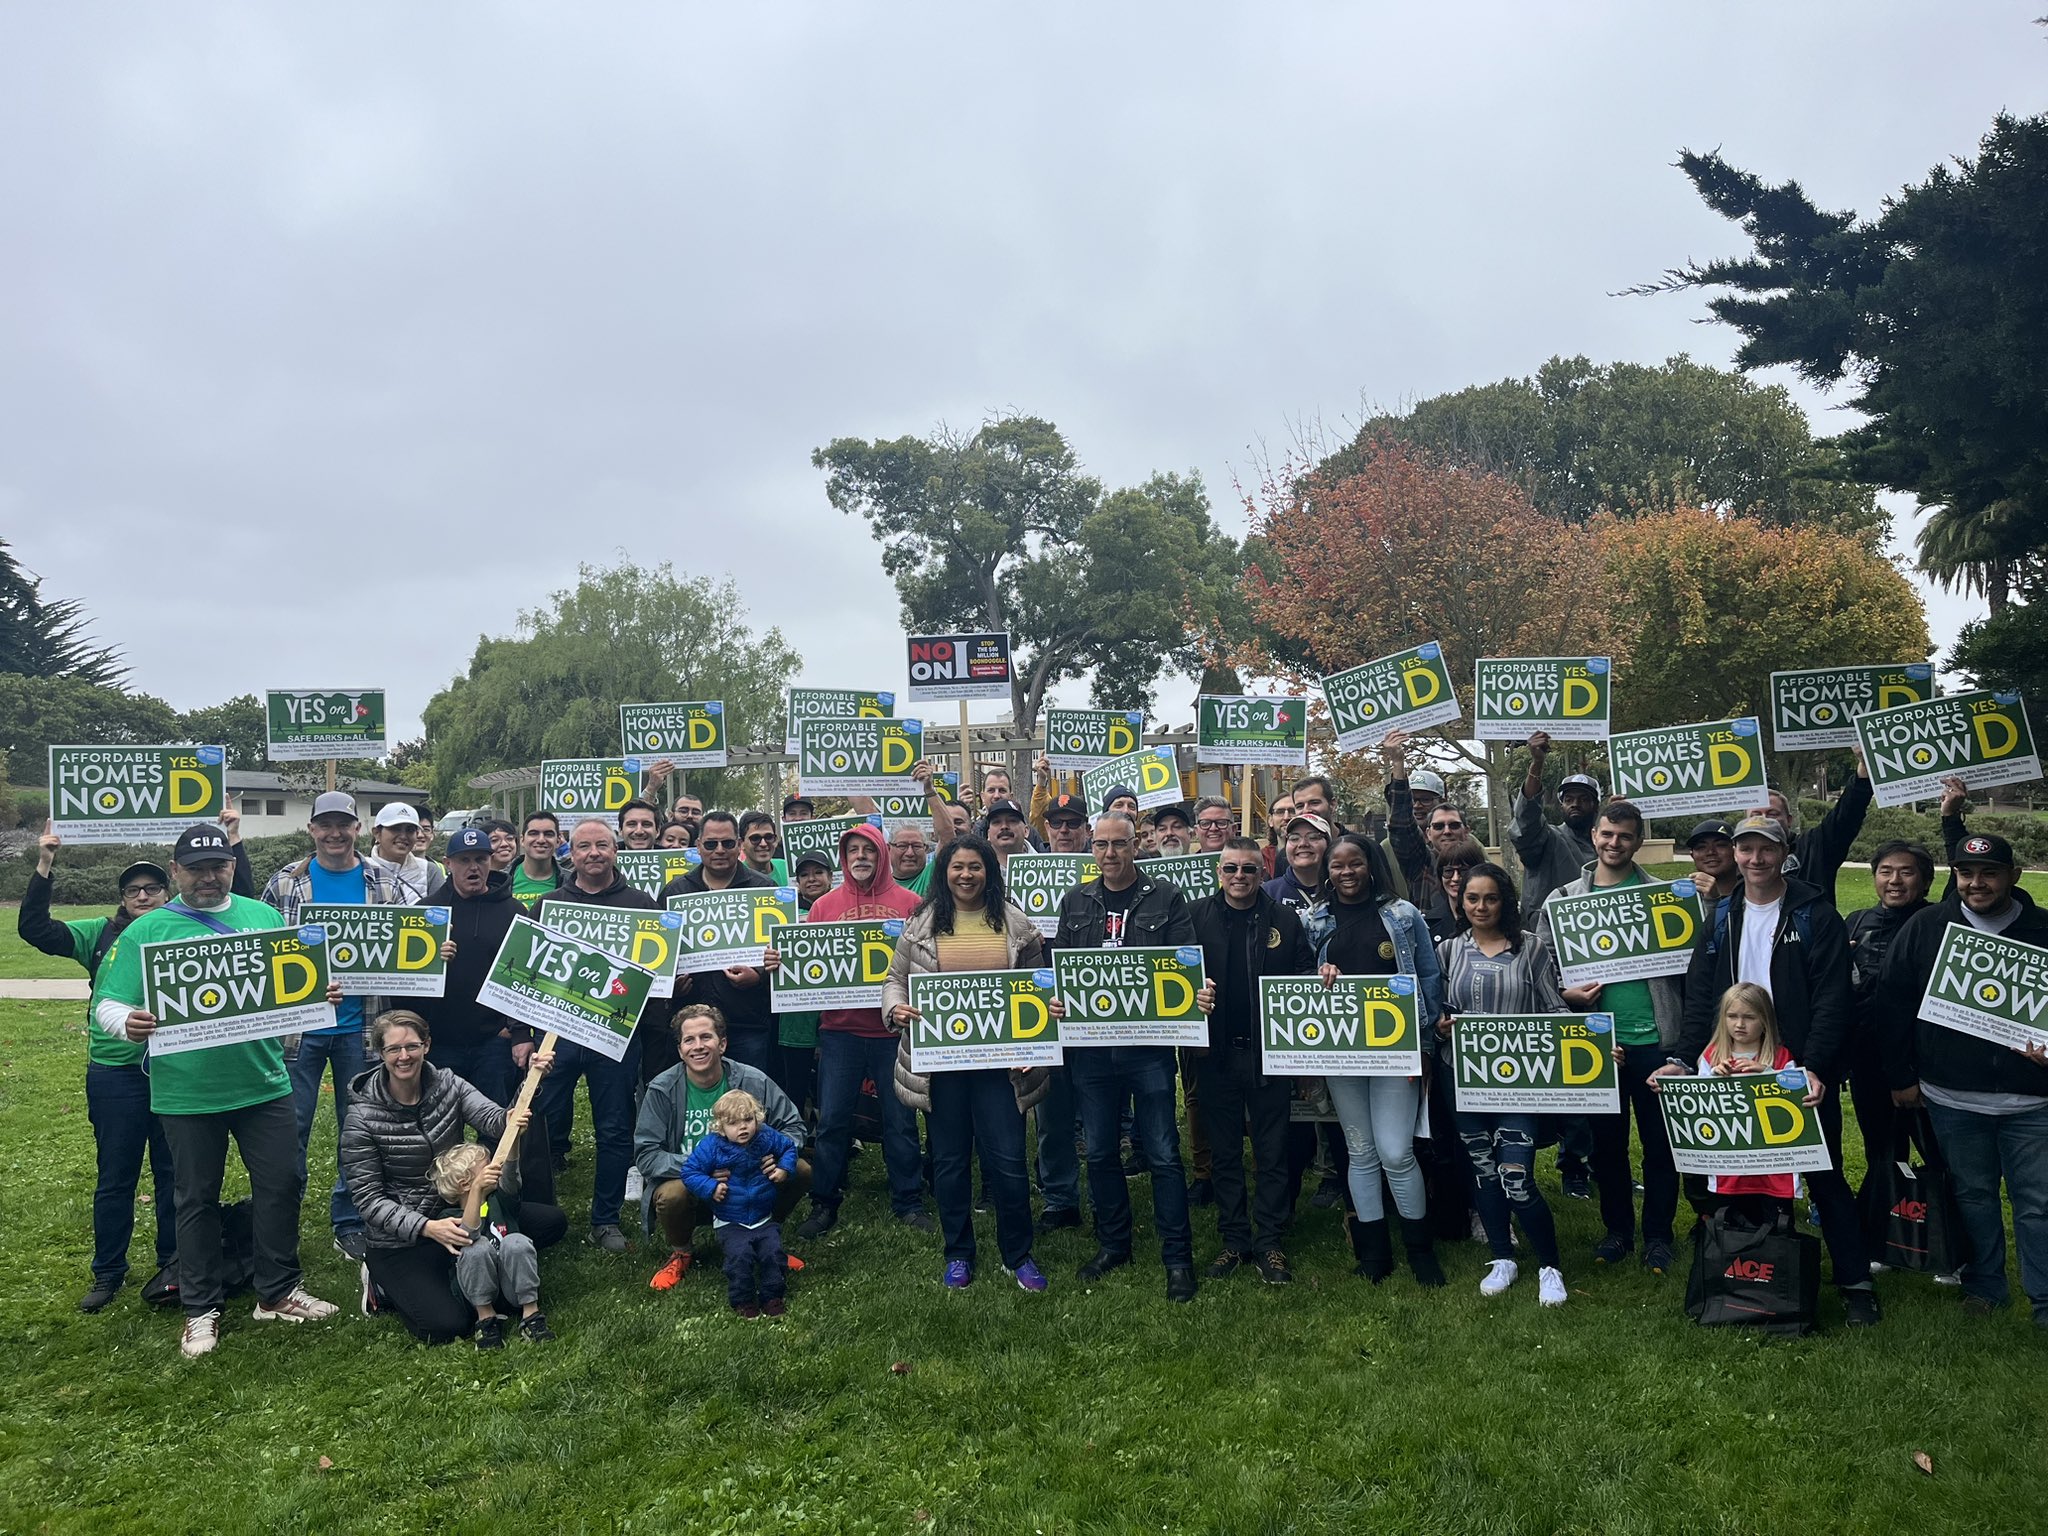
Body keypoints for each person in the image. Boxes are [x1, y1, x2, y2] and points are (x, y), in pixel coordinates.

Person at [96, 823, 342, 1357]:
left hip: (264, 1082)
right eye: (197, 867)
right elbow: (107, 1002)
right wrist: (127, 1022)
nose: (209, 876)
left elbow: (290, 989)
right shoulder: (148, 930)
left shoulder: (264, 917)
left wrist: (317, 991)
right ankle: (200, 1306)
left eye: (219, 866)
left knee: (283, 1182)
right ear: (177, 869)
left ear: (232, 866)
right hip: (187, 1091)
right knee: (195, 1199)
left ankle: (276, 1291)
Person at [1668, 813, 1879, 1326]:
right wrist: (1680, 1057)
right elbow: (1700, 993)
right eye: (1746, 850)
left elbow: (1833, 999)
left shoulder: (1814, 913)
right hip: (1732, 1062)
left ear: (1784, 853)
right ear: (1735, 854)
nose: (1755, 859)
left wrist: (1814, 1066)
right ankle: (1753, 1275)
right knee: (1742, 1173)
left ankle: (1856, 1284)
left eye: (1766, 849)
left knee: (1824, 1176)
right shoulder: (1722, 914)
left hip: (1796, 1069)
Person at [1879, 832, 2048, 1324]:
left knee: (2037, 1205)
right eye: (1966, 873)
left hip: (2031, 1101)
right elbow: (1892, 1003)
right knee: (1972, 1196)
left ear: (2014, 877)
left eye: (1990, 873)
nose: (1977, 883)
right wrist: (1901, 1075)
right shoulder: (1927, 926)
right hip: (1951, 1096)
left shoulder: (2042, 930)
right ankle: (1985, 1286)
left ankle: (2044, 1300)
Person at [883, 835, 1053, 1292]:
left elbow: (1038, 990)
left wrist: (1034, 1046)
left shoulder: (1017, 924)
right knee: (951, 1164)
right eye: (957, 867)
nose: (966, 875)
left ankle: (1017, 1255)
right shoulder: (920, 923)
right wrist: (895, 1009)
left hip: (1003, 1068)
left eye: (975, 867)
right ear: (945, 872)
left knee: (1009, 1162)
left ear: (988, 872)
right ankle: (958, 1253)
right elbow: (895, 979)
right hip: (943, 1067)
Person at [18, 825, 176, 1312]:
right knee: (116, 1175)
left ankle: (174, 1263)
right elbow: (36, 930)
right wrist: (45, 863)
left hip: (174, 1071)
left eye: (152, 888)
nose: (143, 896)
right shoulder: (98, 934)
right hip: (115, 1074)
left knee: (174, 1173)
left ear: (168, 892)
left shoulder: (184, 929)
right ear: (123, 898)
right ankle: (108, 1271)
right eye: (133, 890)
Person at [340, 1009, 562, 1343]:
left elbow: (497, 1121)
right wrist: (427, 1228)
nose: (404, 1056)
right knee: (445, 1325)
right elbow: (369, 1201)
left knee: (551, 1222)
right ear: (380, 1054)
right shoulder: (361, 1117)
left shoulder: (448, 1083)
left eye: (412, 1046)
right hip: (404, 1239)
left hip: (460, 1213)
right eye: (394, 1049)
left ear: (426, 1045)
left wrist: (532, 1082)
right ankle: (380, 1282)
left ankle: (473, 1268)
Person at [1051, 810, 1200, 1301]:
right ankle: (1113, 1245)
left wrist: (1195, 990)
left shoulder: (1166, 897)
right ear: (1091, 850)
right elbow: (1064, 968)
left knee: (1161, 1151)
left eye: (1119, 844)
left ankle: (1177, 1256)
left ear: (1136, 845)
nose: (1109, 854)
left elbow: (1183, 958)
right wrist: (1057, 1000)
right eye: (1101, 846)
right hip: (1091, 1051)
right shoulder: (1076, 900)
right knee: (1098, 1151)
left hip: (1148, 1047)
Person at [1535, 799, 1684, 1275]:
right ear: (1594, 836)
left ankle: (1659, 1236)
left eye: (1624, 836)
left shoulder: (1664, 896)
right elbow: (1540, 970)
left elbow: (1693, 969)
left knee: (1661, 1148)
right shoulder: (1563, 900)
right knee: (1608, 1147)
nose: (1614, 843)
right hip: (1598, 1044)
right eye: (1606, 834)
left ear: (1638, 841)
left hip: (1657, 1041)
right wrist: (1565, 993)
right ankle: (1617, 1231)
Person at [260, 790, 406, 1263]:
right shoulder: (284, 884)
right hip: (299, 1030)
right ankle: (283, 1223)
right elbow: (262, 952)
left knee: (358, 1129)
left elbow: (411, 946)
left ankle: (349, 1220)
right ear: (312, 830)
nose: (335, 833)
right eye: (326, 825)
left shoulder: (383, 881)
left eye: (344, 824)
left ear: (358, 828)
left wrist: (435, 951)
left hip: (362, 1028)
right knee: (290, 1128)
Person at [1305, 833, 1445, 1287]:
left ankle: (1421, 1252)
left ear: (1371, 866)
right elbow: (1299, 986)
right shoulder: (1314, 922)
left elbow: (1427, 979)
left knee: (1396, 1152)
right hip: (1342, 1055)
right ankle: (1374, 1254)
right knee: (1361, 1153)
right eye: (1337, 865)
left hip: (1396, 1054)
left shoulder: (1403, 917)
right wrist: (1315, 974)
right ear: (1328, 871)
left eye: (1355, 863)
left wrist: (1424, 1048)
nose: (1346, 872)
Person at [1438, 862, 1568, 1306]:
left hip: (1519, 1084)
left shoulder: (1530, 948)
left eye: (1490, 898)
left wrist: (1591, 1042)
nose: (1480, 906)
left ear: (1505, 901)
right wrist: (1439, 1027)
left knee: (1516, 1173)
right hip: (1463, 1079)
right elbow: (1437, 1010)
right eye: (1472, 898)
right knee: (1483, 1170)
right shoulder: (1450, 950)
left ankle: (1550, 1265)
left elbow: (1553, 1007)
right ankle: (1502, 1257)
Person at [791, 821, 929, 1239]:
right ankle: (824, 1202)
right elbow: (809, 968)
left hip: (894, 1032)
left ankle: (908, 1199)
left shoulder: (911, 903)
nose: (861, 858)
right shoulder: (824, 906)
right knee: (832, 1121)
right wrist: (786, 965)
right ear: (843, 858)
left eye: (868, 850)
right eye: (852, 852)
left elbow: (925, 961)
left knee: (900, 1120)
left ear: (881, 854)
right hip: (840, 1032)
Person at [1188, 836, 1315, 1283]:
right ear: (1217, 872)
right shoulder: (1196, 916)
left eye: (1247, 869)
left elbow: (1302, 978)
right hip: (1216, 1053)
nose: (1238, 877)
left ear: (1262, 872)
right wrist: (1192, 995)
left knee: (1272, 1152)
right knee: (1223, 1152)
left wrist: (1319, 978)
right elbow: (1176, 977)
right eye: (1230, 869)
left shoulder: (1284, 919)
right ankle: (1234, 1239)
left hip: (1269, 1054)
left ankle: (1270, 1242)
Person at [535, 819, 659, 1255]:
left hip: (615, 1038)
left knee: (614, 1129)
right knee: (542, 1125)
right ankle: (540, 1213)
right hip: (558, 1035)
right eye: (584, 846)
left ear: (615, 850)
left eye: (602, 845)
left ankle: (604, 1219)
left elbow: (655, 973)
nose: (593, 853)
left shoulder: (641, 904)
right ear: (570, 853)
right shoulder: (550, 904)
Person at [638, 1004, 812, 1291]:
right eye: (689, 1040)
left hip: (752, 1181)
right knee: (672, 1194)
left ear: (722, 1043)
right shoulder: (662, 1089)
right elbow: (647, 1154)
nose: (698, 1047)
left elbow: (794, 1127)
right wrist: (702, 1170)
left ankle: (766, 1236)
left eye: (706, 1037)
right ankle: (682, 1252)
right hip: (695, 1187)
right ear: (680, 1050)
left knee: (801, 1169)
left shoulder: (753, 1081)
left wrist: (776, 1157)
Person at [415, 827, 531, 1107]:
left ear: (491, 862)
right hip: (441, 1041)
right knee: (442, 1125)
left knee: (495, 1123)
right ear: (448, 864)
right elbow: (407, 980)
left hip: (493, 1042)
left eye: (481, 859)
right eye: (464, 860)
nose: (473, 867)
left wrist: (516, 1031)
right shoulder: (427, 911)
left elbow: (527, 978)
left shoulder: (513, 911)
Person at [1845, 836, 1937, 1176]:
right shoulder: (1855, 921)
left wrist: (1950, 820)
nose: (1894, 881)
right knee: (1882, 1153)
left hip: (1924, 1059)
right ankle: (1885, 1222)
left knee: (1939, 1154)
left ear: (1926, 880)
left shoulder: (1937, 921)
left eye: (1906, 872)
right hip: (1867, 1059)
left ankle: (1945, 1226)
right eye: (1885, 871)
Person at [660, 810, 779, 1073]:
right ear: (699, 846)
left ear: (739, 845)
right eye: (711, 844)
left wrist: (758, 976)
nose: (720, 850)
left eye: (727, 843)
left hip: (747, 1023)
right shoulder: (674, 892)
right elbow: (660, 957)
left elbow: (781, 956)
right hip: (691, 1026)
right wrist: (671, 987)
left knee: (747, 1104)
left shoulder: (764, 890)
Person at [681, 1089, 800, 1318]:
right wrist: (711, 1187)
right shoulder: (712, 1146)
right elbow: (690, 1171)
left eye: (748, 1120)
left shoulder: (765, 1136)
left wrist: (784, 1169)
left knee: (773, 1253)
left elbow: (788, 1148)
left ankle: (773, 1296)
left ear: (758, 1119)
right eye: (734, 1123)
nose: (743, 1127)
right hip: (729, 1219)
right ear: (720, 1127)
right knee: (739, 1257)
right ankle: (743, 1301)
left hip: (763, 1216)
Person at [428, 1142, 552, 1349]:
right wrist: (477, 1190)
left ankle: (531, 1313)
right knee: (477, 1247)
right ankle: (486, 1320)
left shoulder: (501, 1200)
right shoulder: (448, 1218)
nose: (496, 1168)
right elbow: (469, 1233)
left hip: (512, 1288)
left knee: (516, 1241)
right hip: (477, 1295)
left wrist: (514, 1138)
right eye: (487, 1166)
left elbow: (511, 1174)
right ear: (465, 1183)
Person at [1693, 982, 1800, 1220]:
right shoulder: (1711, 1056)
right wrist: (1713, 1078)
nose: (1739, 1024)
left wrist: (1767, 1073)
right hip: (1729, 1165)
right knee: (1729, 1226)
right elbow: (1698, 1105)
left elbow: (1796, 1101)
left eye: (1749, 1017)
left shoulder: (1782, 1057)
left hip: (1773, 1165)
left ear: (1765, 1020)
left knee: (1775, 1228)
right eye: (1732, 1016)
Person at [1749, 760, 1873, 905]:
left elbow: (1845, 816)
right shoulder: (1739, 859)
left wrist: (1862, 777)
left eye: (1773, 814)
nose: (1764, 820)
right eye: (1756, 814)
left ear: (1789, 820)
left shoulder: (1813, 847)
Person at [1512, 732, 1601, 912]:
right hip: (1548, 933)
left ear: (1596, 806)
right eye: (1568, 799)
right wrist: (1537, 764)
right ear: (1561, 805)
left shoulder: (1605, 844)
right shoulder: (1547, 839)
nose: (1575, 804)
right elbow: (1527, 820)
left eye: (1584, 799)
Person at [367, 803, 445, 904]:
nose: (403, 836)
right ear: (377, 833)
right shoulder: (362, 870)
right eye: (395, 828)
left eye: (410, 830)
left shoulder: (429, 871)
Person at [1263, 811, 1333, 912]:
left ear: (1329, 844)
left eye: (1313, 837)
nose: (1303, 844)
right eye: (1294, 838)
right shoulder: (1268, 893)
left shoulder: (1342, 889)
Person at [511, 810, 562, 909]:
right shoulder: (501, 881)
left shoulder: (572, 882)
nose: (541, 840)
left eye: (548, 834)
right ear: (522, 840)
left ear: (558, 841)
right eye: (533, 833)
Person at [1685, 819, 1739, 904]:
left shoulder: (1755, 893)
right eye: (1701, 847)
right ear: (1692, 856)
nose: (1711, 852)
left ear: (1736, 851)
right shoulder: (1683, 898)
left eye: (1720, 845)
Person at [739, 809, 790, 883]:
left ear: (775, 840)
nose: (763, 844)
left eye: (768, 837)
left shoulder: (788, 869)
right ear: (741, 844)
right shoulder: (734, 876)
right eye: (755, 838)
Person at [888, 822, 934, 896]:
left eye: (917, 846)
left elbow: (946, 838)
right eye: (902, 846)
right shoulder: (878, 884)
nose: (910, 853)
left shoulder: (932, 875)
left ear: (926, 849)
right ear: (888, 848)